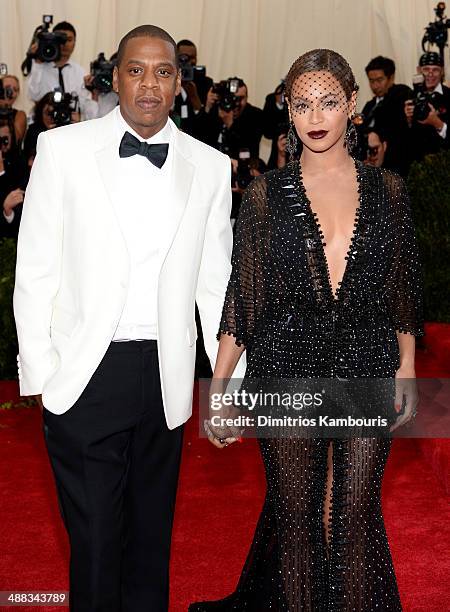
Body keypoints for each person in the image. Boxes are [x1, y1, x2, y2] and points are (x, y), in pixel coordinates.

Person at [14, 24, 245, 612]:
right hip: (84, 375)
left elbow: (217, 285)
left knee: (149, 545)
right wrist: (42, 374)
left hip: (165, 378)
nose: (149, 84)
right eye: (137, 70)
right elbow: (36, 268)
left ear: (179, 85)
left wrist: (230, 387)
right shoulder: (62, 151)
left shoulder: (211, 167)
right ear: (115, 78)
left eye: (163, 72)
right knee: (94, 543)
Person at [190, 49, 423, 611]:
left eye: (327, 103)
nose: (315, 116)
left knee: (357, 515)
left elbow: (403, 286)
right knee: (295, 517)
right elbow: (243, 301)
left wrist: (408, 366)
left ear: (351, 107)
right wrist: (220, 390)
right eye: (301, 105)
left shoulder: (389, 190)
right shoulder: (266, 197)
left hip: (369, 365)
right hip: (285, 370)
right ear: (288, 113)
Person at [26, 21, 96, 120]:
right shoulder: (40, 68)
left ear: (75, 43)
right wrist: (37, 61)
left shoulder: (81, 73)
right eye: (60, 39)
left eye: (69, 39)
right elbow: (33, 96)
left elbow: (85, 106)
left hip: (71, 125)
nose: (65, 44)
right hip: (44, 125)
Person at [362, 56, 411, 175]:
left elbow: (396, 124)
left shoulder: (401, 94)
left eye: (379, 80)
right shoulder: (369, 105)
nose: (375, 86)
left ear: (391, 78)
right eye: (371, 81)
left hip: (395, 165)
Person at [404, 51, 450, 166]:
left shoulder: (449, 96)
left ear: (442, 71)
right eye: (426, 69)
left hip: (443, 164)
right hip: (417, 163)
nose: (430, 74)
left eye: (435, 70)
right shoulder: (410, 96)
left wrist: (438, 123)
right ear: (419, 70)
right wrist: (408, 121)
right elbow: (403, 138)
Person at [0, 74, 27, 144]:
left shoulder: (20, 115)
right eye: (7, 88)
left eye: (15, 89)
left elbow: (16, 139)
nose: (11, 92)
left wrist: (5, 107)